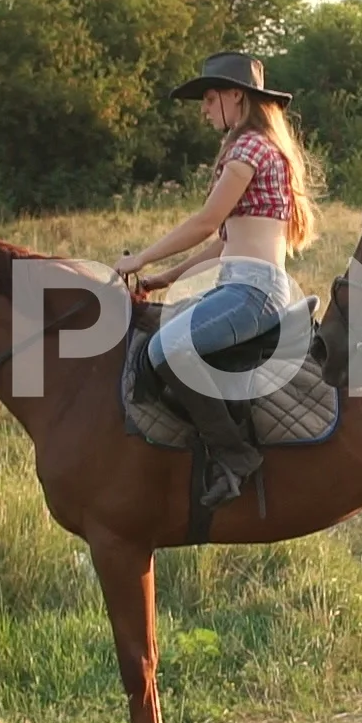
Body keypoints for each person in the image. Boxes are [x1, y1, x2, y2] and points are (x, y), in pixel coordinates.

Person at [113, 52, 322, 506]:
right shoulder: (255, 149)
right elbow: (223, 243)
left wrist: (138, 260)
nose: (205, 109)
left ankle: (235, 454)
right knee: (158, 332)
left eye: (209, 99)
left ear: (236, 97)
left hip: (255, 292)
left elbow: (207, 222)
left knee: (168, 351)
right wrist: (162, 278)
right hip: (238, 285)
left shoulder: (249, 149)